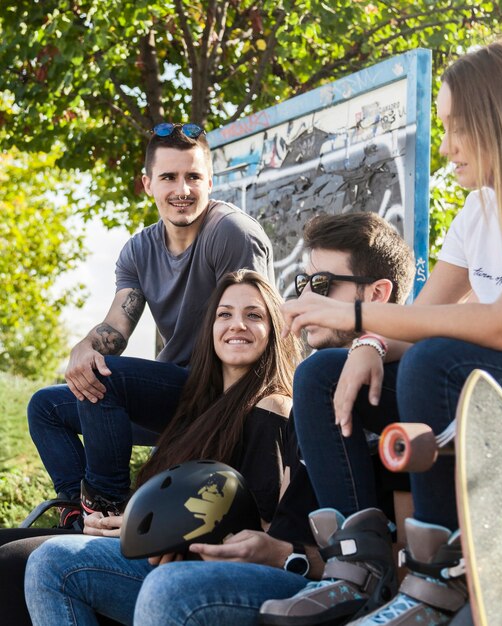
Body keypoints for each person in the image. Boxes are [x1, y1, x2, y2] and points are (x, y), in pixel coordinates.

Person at [268, 33, 502, 625]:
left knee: (439, 362)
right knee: (321, 373)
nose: (448, 146)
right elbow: (422, 314)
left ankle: (438, 583)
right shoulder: (478, 213)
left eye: (459, 126)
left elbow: (500, 324)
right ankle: (358, 568)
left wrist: (354, 315)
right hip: (490, 396)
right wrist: (367, 345)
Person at [21, 212, 416, 626]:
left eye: (320, 286)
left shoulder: (377, 402)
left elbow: (399, 566)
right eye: (301, 286)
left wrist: (284, 554)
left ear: (377, 294)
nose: (301, 303)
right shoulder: (313, 390)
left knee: (169, 586)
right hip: (267, 567)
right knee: (49, 560)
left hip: (300, 582)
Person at [21, 269, 301, 625]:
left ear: (273, 330)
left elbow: (261, 528)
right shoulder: (197, 407)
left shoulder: (271, 407)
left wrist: (163, 534)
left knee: (54, 563)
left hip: (204, 572)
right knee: (42, 558)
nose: (237, 325)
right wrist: (122, 523)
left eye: (254, 315)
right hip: (164, 558)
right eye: (224, 314)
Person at [27, 123, 274, 525]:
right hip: (175, 391)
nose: (183, 189)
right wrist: (87, 347)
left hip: (222, 389)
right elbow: (116, 328)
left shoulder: (231, 233)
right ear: (147, 183)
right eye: (169, 177)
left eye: (193, 176)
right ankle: (80, 518)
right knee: (47, 406)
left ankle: (108, 506)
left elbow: (255, 330)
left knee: (108, 381)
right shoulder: (138, 250)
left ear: (210, 181)